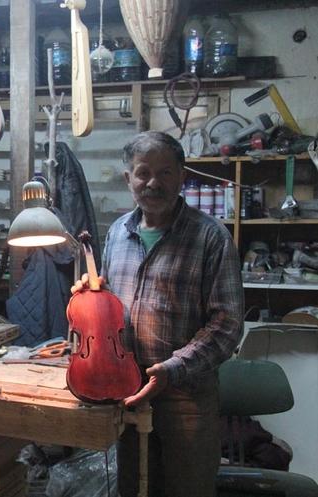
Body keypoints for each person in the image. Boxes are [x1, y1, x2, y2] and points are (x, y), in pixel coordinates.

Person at [71, 131, 244, 497]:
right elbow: (112, 311)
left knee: (186, 489)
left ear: (182, 176)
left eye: (165, 173)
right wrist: (91, 298)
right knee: (133, 488)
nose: (153, 183)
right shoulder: (118, 232)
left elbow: (227, 325)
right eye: (143, 173)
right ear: (128, 179)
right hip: (127, 388)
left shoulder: (210, 237)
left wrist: (173, 369)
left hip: (186, 396)